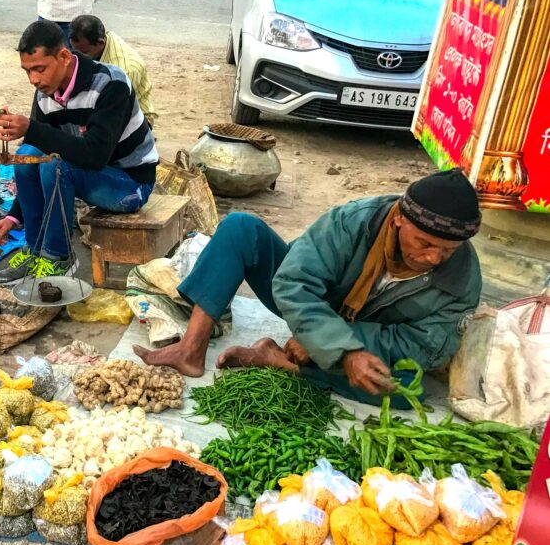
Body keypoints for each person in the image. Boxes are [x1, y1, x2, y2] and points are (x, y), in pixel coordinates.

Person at [135, 170, 483, 406]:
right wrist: (331, 340)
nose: (435, 258)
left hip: (366, 334)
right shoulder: (353, 222)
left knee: (412, 386)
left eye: (448, 250)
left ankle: (281, 362)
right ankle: (190, 349)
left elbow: (425, 346)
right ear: (398, 220)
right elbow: (293, 282)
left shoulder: (461, 278)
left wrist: (341, 344)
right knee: (241, 228)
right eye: (424, 243)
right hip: (316, 303)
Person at [0, 21, 158, 282]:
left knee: (54, 165)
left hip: (129, 184)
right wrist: (13, 216)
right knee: (27, 155)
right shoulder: (46, 92)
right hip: (88, 174)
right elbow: (39, 147)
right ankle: (35, 250)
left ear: (64, 56)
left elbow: (94, 156)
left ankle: (59, 257)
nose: (33, 79)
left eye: (39, 69)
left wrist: (31, 128)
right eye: (27, 71)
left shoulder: (111, 84)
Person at [70, 14, 156, 128]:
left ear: (100, 43)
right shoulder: (98, 38)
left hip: (132, 117)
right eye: (74, 50)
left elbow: (118, 110)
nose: (78, 57)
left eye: (84, 52)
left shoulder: (125, 69)